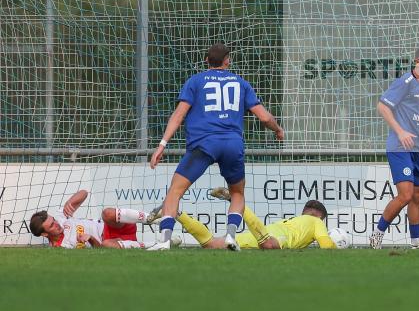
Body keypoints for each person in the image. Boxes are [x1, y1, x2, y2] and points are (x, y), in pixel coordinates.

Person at [147, 43, 285, 251]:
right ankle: (230, 236)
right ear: (227, 61)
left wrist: (161, 145)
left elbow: (179, 115)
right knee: (237, 193)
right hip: (232, 143)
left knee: (174, 191)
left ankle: (165, 240)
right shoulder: (241, 83)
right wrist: (277, 130)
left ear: (206, 61)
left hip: (203, 143)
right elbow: (264, 117)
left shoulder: (195, 81)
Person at [370, 44, 419, 249]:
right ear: (418, 62)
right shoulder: (405, 82)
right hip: (399, 147)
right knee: (405, 195)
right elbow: (382, 107)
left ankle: (417, 242)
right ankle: (377, 234)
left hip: (416, 149)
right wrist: (400, 131)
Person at [155, 191, 337, 250]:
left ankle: (177, 212)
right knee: (269, 245)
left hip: (253, 235)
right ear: (319, 217)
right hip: (277, 237)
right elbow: (327, 246)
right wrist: (338, 246)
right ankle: (235, 200)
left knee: (209, 244)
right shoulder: (316, 222)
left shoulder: (292, 220)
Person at [29, 189, 152, 249]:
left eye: (53, 220)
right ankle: (154, 245)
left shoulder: (61, 218)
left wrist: (69, 202)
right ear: (45, 234)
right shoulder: (63, 248)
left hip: (111, 226)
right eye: (51, 226)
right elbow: (99, 251)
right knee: (106, 245)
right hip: (113, 242)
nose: (56, 224)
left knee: (107, 213)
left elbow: (84, 193)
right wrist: (92, 239)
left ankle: (152, 218)